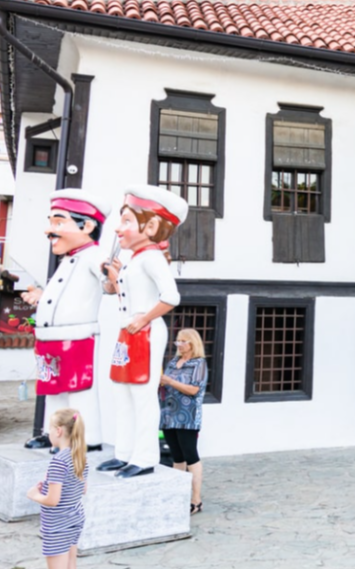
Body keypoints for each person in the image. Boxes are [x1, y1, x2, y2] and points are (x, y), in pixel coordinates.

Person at [97, 185, 188, 479]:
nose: (118, 229)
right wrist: (113, 277)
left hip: (145, 332)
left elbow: (171, 297)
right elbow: (121, 293)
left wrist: (145, 318)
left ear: (150, 227)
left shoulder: (151, 258)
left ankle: (145, 457)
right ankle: (124, 453)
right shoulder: (135, 259)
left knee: (142, 395)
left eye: (127, 221)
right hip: (129, 332)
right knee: (122, 392)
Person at [22, 189, 110, 451]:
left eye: (59, 223)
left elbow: (108, 282)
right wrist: (42, 297)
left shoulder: (94, 256)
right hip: (51, 338)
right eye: (51, 222)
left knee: (79, 388)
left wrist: (112, 280)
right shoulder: (68, 259)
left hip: (77, 337)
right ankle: (54, 434)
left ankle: (87, 437)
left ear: (88, 226)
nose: (49, 230)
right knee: (53, 389)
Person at [26, 407, 87, 569]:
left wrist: (34, 494)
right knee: (71, 564)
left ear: (58, 431)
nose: (49, 434)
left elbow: (53, 500)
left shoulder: (58, 461)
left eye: (50, 429)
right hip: (75, 517)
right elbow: (82, 489)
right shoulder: (80, 456)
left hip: (57, 524)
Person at [160, 328, 208, 515]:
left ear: (192, 343)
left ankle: (196, 500)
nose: (179, 345)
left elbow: (194, 389)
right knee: (177, 456)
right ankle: (178, 496)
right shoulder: (173, 362)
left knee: (190, 456)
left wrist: (170, 381)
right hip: (169, 414)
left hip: (188, 416)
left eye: (183, 341)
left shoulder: (199, 363)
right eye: (177, 341)